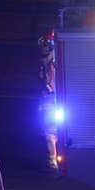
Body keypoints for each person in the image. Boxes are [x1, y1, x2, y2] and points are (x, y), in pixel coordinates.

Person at [37, 30, 58, 170]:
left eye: (45, 45)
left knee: (57, 132)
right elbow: (42, 83)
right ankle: (53, 162)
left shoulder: (56, 62)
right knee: (49, 133)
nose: (43, 48)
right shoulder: (43, 63)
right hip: (48, 101)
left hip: (59, 100)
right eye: (42, 46)